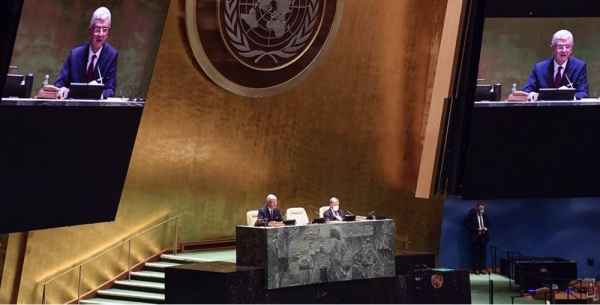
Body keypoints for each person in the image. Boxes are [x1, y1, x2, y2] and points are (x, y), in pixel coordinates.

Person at [54, 6, 118, 99]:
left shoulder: (112, 55)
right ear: (90, 30)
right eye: (97, 29)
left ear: (108, 32)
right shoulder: (75, 54)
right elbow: (58, 83)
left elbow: (110, 89)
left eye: (105, 29)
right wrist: (62, 88)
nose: (101, 34)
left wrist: (96, 93)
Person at [522, 29, 588, 100]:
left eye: (567, 46)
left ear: (571, 48)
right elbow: (526, 91)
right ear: (552, 49)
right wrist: (531, 94)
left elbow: (583, 92)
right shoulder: (539, 68)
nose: (564, 50)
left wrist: (568, 95)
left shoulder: (579, 66)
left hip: (569, 110)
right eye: (560, 47)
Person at [467, 203, 491, 275]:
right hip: (476, 237)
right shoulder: (472, 217)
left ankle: (482, 269)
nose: (482, 210)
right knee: (476, 253)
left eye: (483, 209)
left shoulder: (485, 216)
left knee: (483, 253)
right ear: (477, 209)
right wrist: (477, 229)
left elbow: (490, 225)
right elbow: (469, 226)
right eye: (480, 209)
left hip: (484, 237)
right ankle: (476, 269)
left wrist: (486, 228)